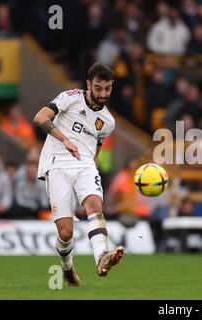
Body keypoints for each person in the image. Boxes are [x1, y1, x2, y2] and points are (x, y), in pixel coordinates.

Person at [33, 63, 124, 287]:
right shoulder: (70, 97)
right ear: (88, 85)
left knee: (94, 204)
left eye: (108, 89)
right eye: (99, 88)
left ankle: (102, 256)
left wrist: (91, 170)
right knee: (65, 233)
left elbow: (96, 148)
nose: (103, 94)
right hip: (56, 164)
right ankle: (67, 267)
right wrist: (65, 140)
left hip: (84, 165)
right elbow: (40, 117)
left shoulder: (108, 122)